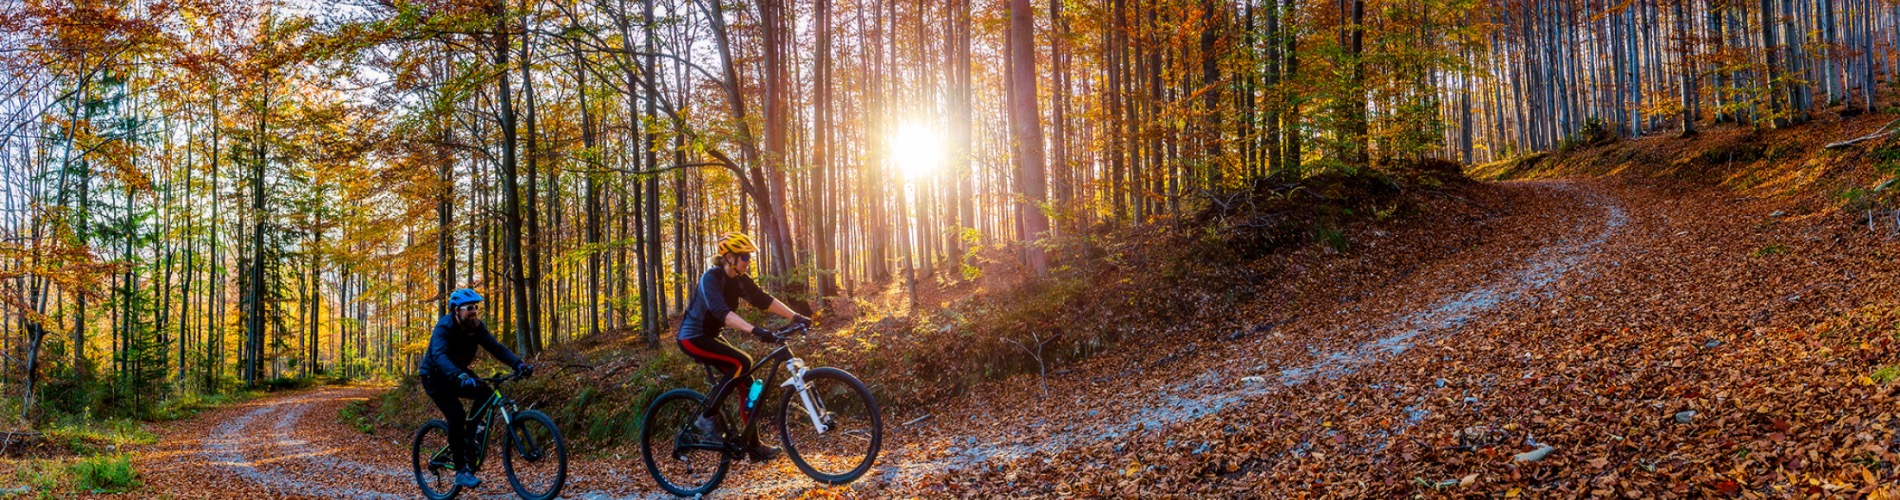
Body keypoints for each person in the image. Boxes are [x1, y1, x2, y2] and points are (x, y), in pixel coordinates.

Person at [676, 233, 811, 462]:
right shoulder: (711, 279)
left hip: (711, 336)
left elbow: (763, 300)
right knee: (742, 362)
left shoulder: (739, 279)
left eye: (749, 257)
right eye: (745, 256)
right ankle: (707, 418)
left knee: (747, 382)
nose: (748, 261)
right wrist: (755, 330)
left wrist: (795, 316)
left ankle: (754, 447)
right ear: (729, 257)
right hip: (692, 337)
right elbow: (723, 313)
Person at [419, 288, 533, 488]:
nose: (474, 312)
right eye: (469, 308)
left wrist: (518, 364)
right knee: (456, 416)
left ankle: (470, 436)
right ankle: (461, 471)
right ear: (456, 310)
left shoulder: (476, 327)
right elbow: (439, 356)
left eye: (476, 308)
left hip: (457, 372)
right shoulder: (443, 328)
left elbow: (496, 347)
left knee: (486, 394)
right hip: (434, 376)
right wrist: (458, 375)